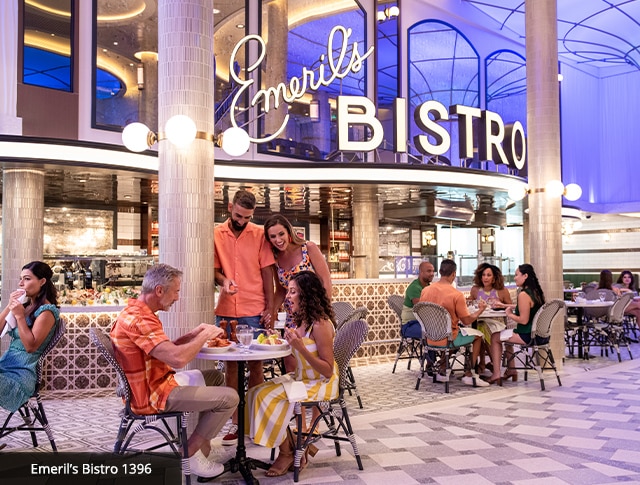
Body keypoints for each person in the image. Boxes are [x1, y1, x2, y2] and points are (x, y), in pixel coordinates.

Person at [111, 264, 238, 479]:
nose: (177, 298)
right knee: (230, 398)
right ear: (159, 290)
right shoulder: (140, 319)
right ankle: (188, 453)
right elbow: (177, 359)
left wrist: (193, 334)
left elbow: (163, 350)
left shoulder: (139, 312)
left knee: (216, 377)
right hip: (150, 395)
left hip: (153, 382)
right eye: (176, 291)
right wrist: (204, 337)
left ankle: (203, 445)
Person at [247, 271, 339, 477]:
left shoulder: (320, 324)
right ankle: (293, 446)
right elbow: (295, 346)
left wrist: (301, 347)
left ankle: (287, 452)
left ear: (306, 295)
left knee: (266, 397)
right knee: (254, 392)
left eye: (292, 292)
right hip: (302, 378)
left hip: (320, 382)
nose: (288, 296)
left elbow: (327, 369)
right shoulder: (303, 321)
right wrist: (280, 339)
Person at [214, 189, 276, 446]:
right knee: (230, 366)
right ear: (230, 207)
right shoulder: (216, 234)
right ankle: (236, 423)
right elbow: (215, 271)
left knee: (256, 366)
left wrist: (271, 309)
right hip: (227, 308)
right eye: (239, 215)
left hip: (254, 308)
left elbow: (267, 273)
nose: (242, 221)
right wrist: (224, 281)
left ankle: (255, 420)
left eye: (247, 217)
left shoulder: (260, 234)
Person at [0, 261, 60, 415]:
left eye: (27, 279)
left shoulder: (46, 312)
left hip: (20, 376)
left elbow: (30, 347)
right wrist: (9, 305)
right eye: (21, 279)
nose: (21, 283)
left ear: (42, 281)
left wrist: (19, 316)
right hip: (5, 367)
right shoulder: (26, 307)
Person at [419, 259, 489, 387]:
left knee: (455, 332)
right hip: (448, 339)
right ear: (454, 274)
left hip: (429, 339)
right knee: (478, 336)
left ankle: (442, 369)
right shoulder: (456, 294)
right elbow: (467, 320)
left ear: (440, 272)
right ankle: (469, 374)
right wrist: (481, 310)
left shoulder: (425, 291)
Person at [264, 214, 332, 322]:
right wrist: (272, 310)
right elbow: (281, 291)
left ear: (288, 232)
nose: (278, 240)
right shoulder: (275, 259)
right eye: (273, 236)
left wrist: (323, 312)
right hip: (292, 317)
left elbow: (326, 281)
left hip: (314, 314)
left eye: (281, 234)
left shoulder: (308, 248)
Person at [488, 264, 545, 385]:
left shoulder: (523, 294)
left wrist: (509, 314)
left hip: (527, 335)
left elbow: (523, 320)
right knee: (504, 335)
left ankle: (496, 374)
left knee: (495, 337)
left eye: (516, 275)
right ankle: (511, 370)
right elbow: (525, 306)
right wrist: (504, 306)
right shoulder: (535, 292)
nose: (515, 278)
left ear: (525, 276)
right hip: (541, 335)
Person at [469, 263, 512, 376]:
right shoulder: (475, 290)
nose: (485, 277)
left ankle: (485, 363)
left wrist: (501, 305)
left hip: (497, 322)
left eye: (489, 275)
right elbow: (470, 304)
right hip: (480, 321)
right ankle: (487, 362)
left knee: (481, 329)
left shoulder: (502, 291)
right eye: (483, 275)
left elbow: (510, 307)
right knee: (480, 328)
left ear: (494, 278)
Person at [401, 261, 435, 339]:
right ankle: (431, 351)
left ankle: (439, 351)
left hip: (423, 323)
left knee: (447, 331)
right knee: (433, 332)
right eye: (429, 271)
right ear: (421, 272)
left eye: (433, 271)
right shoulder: (415, 287)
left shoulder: (429, 287)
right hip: (409, 325)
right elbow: (421, 309)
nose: (432, 274)